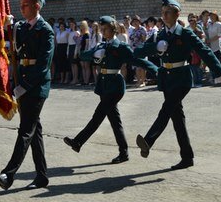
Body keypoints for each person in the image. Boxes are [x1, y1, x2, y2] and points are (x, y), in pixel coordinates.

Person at [134, 0, 221, 170]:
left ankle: (148, 141)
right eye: (162, 13)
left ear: (177, 14)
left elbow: (203, 50)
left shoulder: (185, 33)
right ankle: (187, 157)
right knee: (177, 120)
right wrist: (155, 48)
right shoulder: (159, 34)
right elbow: (139, 52)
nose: (164, 15)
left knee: (166, 109)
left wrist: (217, 69)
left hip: (182, 77)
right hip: (167, 78)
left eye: (167, 12)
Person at [63, 16, 158, 164]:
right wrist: (94, 54)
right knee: (115, 121)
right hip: (104, 85)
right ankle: (123, 152)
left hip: (115, 85)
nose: (103, 31)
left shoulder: (120, 46)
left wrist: (156, 70)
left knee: (98, 115)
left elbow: (136, 60)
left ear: (113, 30)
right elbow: (84, 55)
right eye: (102, 29)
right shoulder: (102, 46)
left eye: (105, 29)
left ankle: (78, 141)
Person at [0, 0, 55, 190]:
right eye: (20, 6)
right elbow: (15, 53)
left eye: (25, 5)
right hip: (22, 83)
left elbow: (43, 66)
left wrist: (23, 87)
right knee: (34, 131)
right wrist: (7, 28)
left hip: (36, 87)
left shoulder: (45, 30)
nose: (22, 9)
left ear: (37, 5)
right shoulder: (23, 27)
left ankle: (8, 175)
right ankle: (42, 176)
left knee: (26, 130)